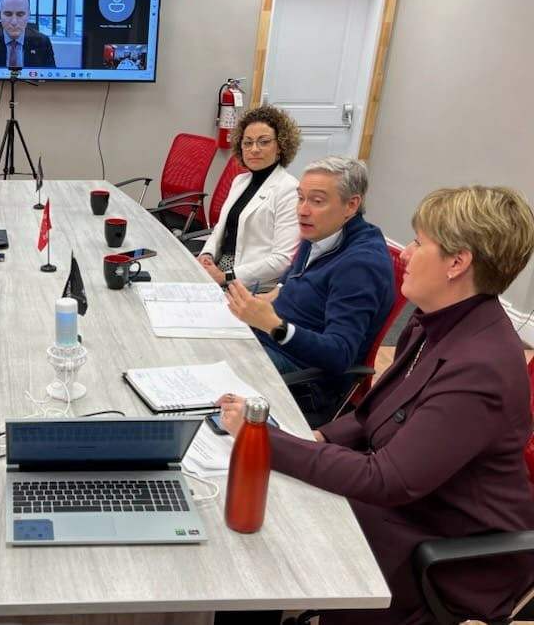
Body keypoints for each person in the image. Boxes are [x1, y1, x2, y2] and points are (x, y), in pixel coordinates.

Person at [219, 185, 534, 625]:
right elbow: (373, 416)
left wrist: (263, 438)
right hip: (414, 505)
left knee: (270, 526)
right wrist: (320, 436)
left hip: (444, 547)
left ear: (457, 264)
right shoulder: (435, 323)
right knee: (268, 502)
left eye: (420, 244)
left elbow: (386, 480)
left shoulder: (480, 368)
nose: (405, 254)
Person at [226, 156, 395, 420]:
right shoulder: (321, 231)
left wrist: (274, 325)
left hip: (306, 381)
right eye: (300, 198)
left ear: (351, 205)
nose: (302, 210)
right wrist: (275, 293)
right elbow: (297, 278)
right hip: (273, 343)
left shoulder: (360, 265)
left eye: (317, 201)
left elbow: (339, 354)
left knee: (207, 369)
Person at [197, 105, 301, 290]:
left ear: (280, 147)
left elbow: (282, 260)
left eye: (264, 142)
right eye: (248, 142)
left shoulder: (289, 190)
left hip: (250, 284)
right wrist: (207, 255)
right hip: (219, 270)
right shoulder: (240, 181)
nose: (254, 149)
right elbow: (220, 229)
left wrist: (225, 277)